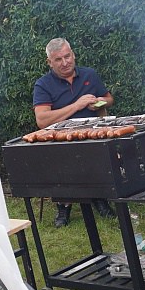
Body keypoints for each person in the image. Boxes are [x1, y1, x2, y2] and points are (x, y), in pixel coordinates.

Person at [32, 38, 116, 227]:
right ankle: (64, 204)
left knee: (97, 148)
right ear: (49, 63)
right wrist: (77, 105)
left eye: (67, 56)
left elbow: (109, 99)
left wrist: (100, 102)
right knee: (62, 153)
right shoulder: (43, 85)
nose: (65, 63)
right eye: (58, 60)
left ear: (73, 54)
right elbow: (42, 120)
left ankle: (99, 197)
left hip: (94, 133)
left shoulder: (89, 74)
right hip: (62, 139)